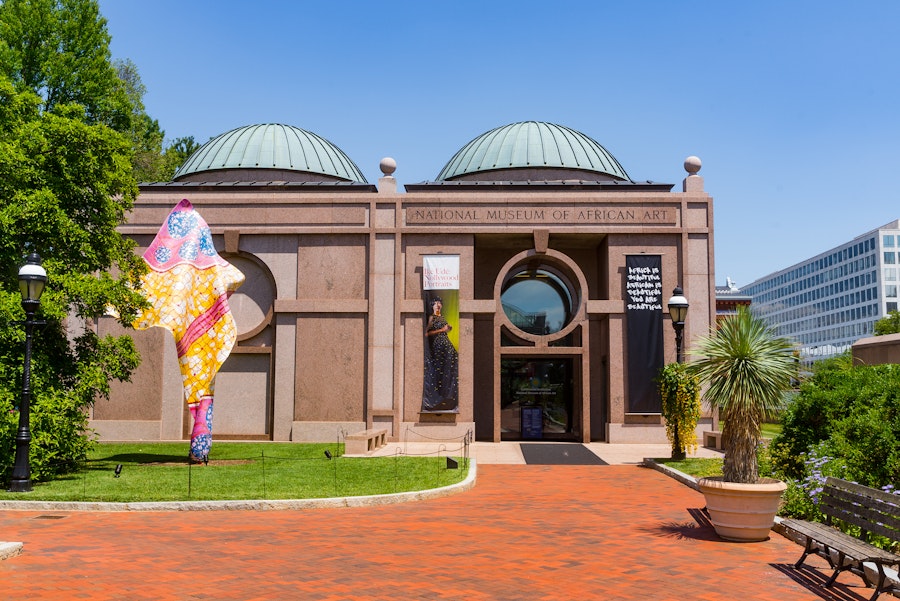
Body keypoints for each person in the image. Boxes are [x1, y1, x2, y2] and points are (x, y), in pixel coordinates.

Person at [422, 296, 459, 412]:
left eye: (439, 303)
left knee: (450, 367)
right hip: (438, 346)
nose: (438, 305)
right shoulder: (431, 317)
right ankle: (438, 396)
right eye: (435, 303)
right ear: (432, 306)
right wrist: (442, 330)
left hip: (446, 344)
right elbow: (426, 333)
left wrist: (448, 328)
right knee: (440, 369)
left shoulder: (442, 317)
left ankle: (448, 394)